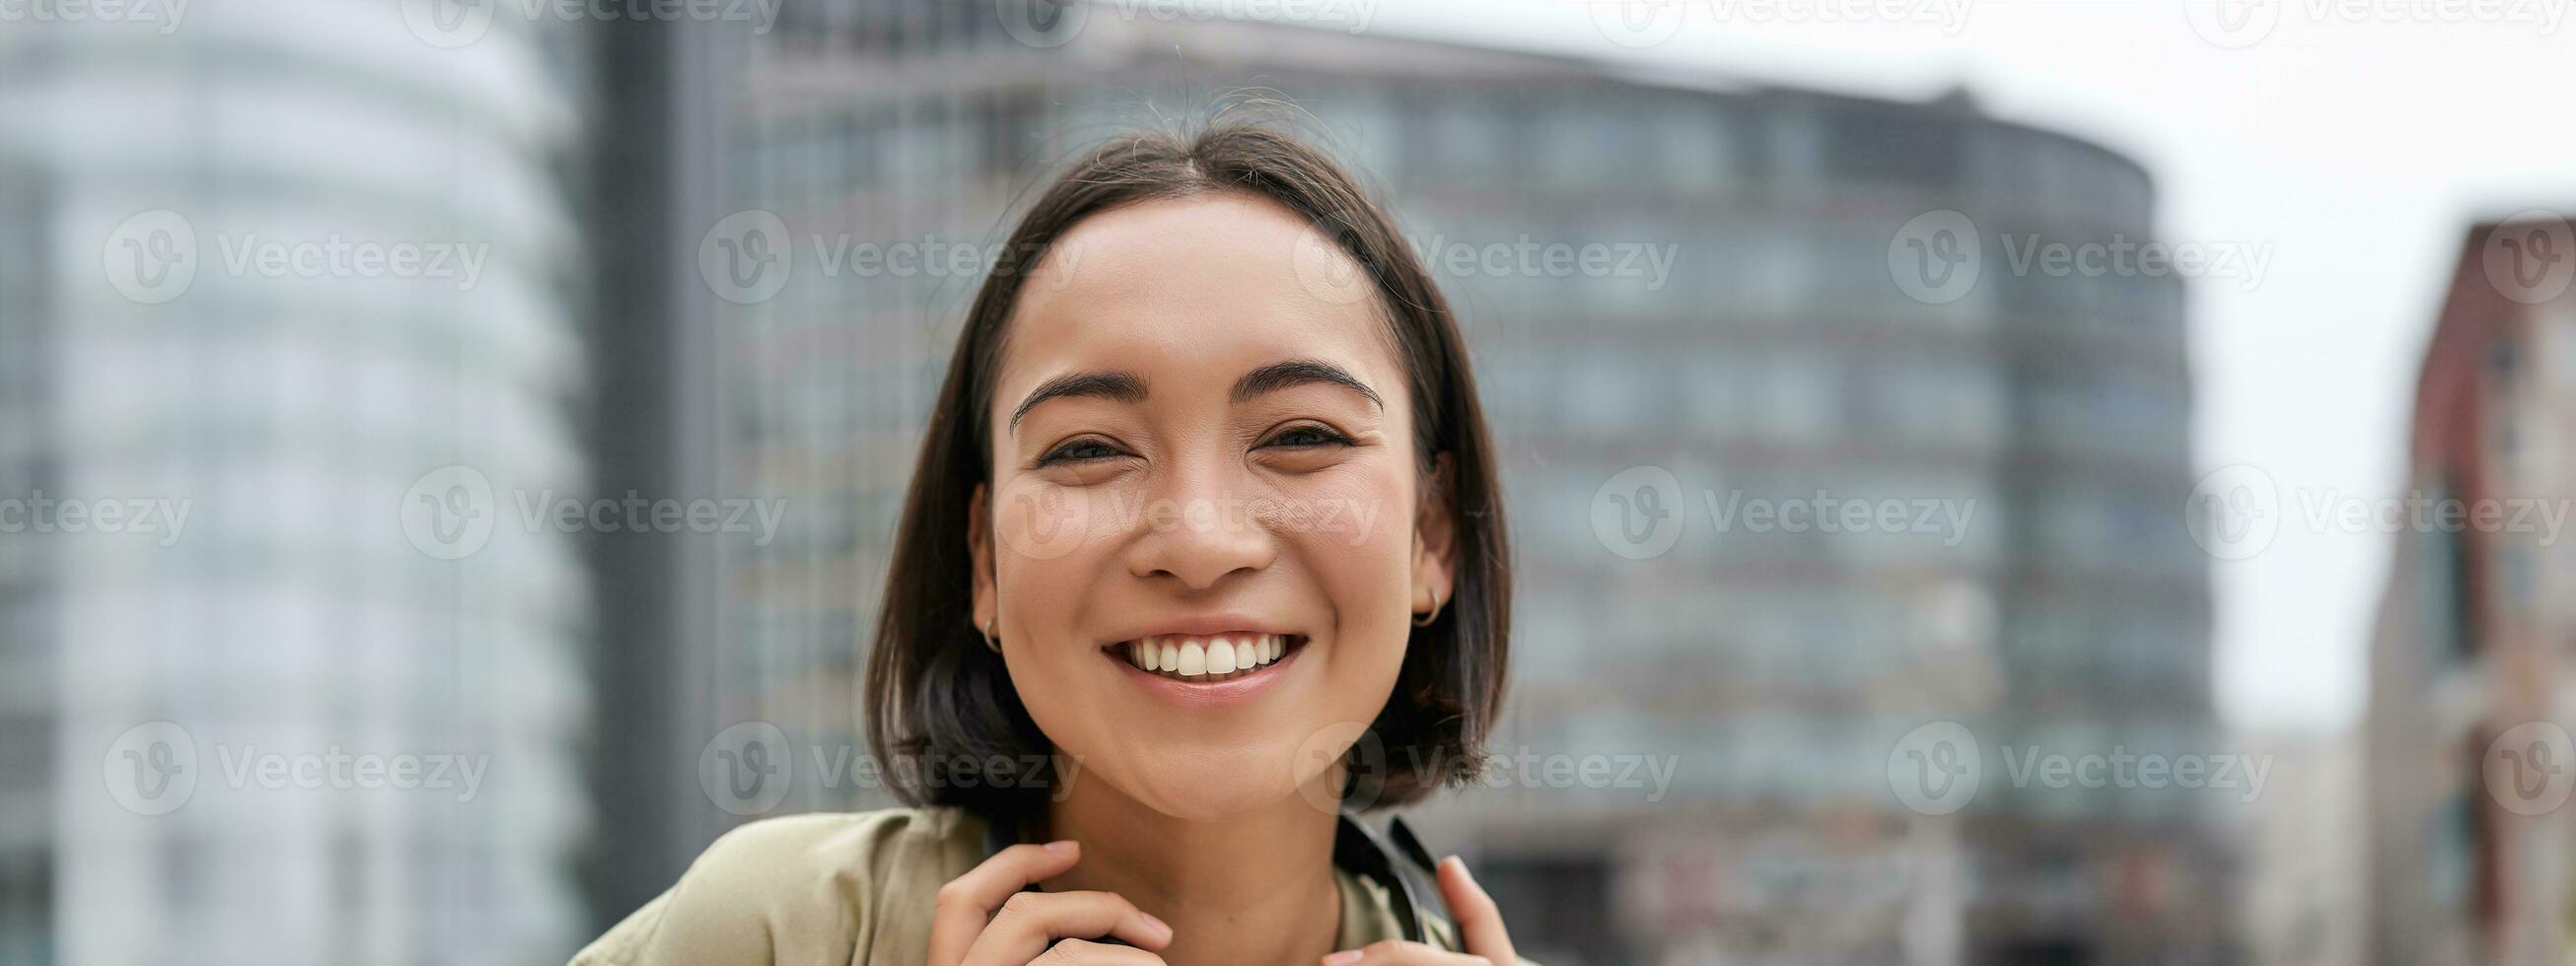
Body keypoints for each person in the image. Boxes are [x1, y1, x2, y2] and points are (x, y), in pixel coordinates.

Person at [573, 121, 1531, 966]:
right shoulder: (777, 931)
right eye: (1087, 449)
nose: (1197, 542)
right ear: (982, 560)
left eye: (1300, 436)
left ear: (1429, 534)